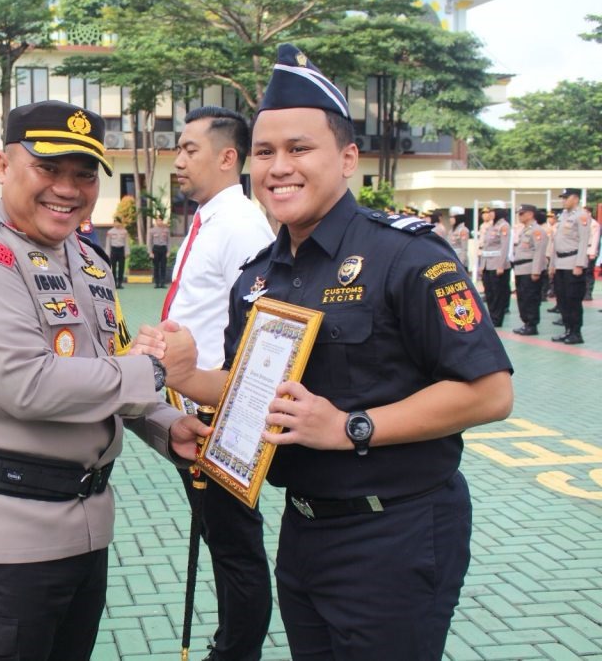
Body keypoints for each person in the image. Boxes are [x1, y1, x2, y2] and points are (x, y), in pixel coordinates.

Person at [142, 44, 513, 661]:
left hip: (397, 530)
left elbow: (490, 391)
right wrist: (191, 376)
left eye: (299, 149)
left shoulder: (408, 257)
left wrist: (349, 427)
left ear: (346, 159)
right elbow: (250, 385)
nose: (278, 167)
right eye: (265, 153)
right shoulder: (259, 276)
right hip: (305, 527)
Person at [0, 99, 205, 661]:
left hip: (83, 529)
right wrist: (157, 370)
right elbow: (28, 384)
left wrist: (166, 426)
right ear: (4, 168)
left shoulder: (89, 261)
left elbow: (103, 372)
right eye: (48, 169)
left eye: (83, 174)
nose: (68, 189)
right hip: (0, 539)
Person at [165, 104, 276, 661]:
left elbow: (254, 327)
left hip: (221, 410)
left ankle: (237, 650)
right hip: (195, 403)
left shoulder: (240, 225)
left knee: (235, 544)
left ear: (228, 157)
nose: (178, 160)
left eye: (190, 150)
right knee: (220, 536)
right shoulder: (210, 217)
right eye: (178, 149)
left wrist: (224, 404)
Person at [550, 188, 591, 344]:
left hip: (573, 263)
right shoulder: (564, 216)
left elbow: (583, 240)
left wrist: (579, 264)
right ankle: (567, 330)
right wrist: (553, 264)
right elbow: (557, 243)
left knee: (573, 300)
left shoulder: (581, 216)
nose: (563, 200)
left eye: (566, 198)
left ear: (575, 198)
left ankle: (576, 333)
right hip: (560, 263)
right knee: (563, 299)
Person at [512, 204, 547, 336]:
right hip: (521, 269)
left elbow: (539, 252)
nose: (519, 216)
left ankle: (532, 325)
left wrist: (536, 271)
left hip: (530, 269)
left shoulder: (537, 230)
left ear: (530, 214)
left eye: (522, 213)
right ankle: (526, 322)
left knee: (530, 297)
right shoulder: (525, 230)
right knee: (522, 297)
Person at [478, 205, 511, 327]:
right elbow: (485, 247)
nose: (490, 213)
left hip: (497, 265)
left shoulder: (504, 226)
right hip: (487, 264)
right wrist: (482, 265)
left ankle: (497, 318)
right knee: (489, 293)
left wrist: (500, 265)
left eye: (492, 211)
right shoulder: (491, 226)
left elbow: (504, 246)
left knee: (498, 293)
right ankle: (492, 316)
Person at [105, 218, 129, 287]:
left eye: (118, 222)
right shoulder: (110, 232)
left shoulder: (124, 232)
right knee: (113, 267)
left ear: (120, 223)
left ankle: (120, 283)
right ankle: (114, 283)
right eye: (115, 222)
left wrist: (127, 252)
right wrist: (107, 253)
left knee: (122, 267)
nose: (116, 224)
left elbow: (126, 243)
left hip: (121, 250)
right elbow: (108, 243)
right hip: (113, 250)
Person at [583, 204, 599, 301]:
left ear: (589, 213)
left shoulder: (594, 224)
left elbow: (595, 240)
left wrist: (592, 253)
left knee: (588, 273)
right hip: (582, 251)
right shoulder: (583, 223)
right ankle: (583, 292)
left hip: (589, 251)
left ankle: (588, 293)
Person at [149, 216, 170, 288]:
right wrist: (150, 252)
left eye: (160, 220)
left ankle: (163, 283)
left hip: (164, 249)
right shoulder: (152, 230)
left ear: (162, 221)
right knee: (156, 267)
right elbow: (150, 242)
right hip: (155, 249)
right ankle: (157, 283)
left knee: (163, 266)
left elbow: (169, 241)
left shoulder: (166, 230)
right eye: (158, 220)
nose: (159, 222)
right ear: (156, 221)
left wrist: (168, 251)